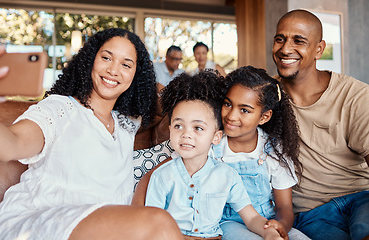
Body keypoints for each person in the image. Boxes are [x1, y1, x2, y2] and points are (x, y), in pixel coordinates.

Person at [0, 28, 184, 240]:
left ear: (136, 75)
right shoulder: (59, 109)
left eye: (126, 64)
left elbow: (165, 103)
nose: (113, 70)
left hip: (103, 229)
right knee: (159, 223)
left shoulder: (127, 123)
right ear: (90, 60)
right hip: (42, 223)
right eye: (106, 58)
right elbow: (11, 144)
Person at [145, 71, 283, 240]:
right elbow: (151, 224)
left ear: (216, 136)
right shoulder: (162, 177)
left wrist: (268, 232)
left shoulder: (228, 176)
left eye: (198, 128)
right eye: (178, 126)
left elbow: (252, 217)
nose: (186, 134)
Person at [272, 9, 369, 240]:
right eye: (280, 39)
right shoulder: (264, 97)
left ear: (319, 49)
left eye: (299, 41)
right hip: (309, 214)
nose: (285, 49)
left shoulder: (354, 95)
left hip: (362, 198)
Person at [210, 66, 309, 240]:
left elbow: (284, 206)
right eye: (227, 104)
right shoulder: (212, 145)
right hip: (227, 223)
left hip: (267, 221)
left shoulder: (273, 150)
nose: (231, 116)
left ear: (264, 117)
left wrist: (280, 225)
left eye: (244, 110)